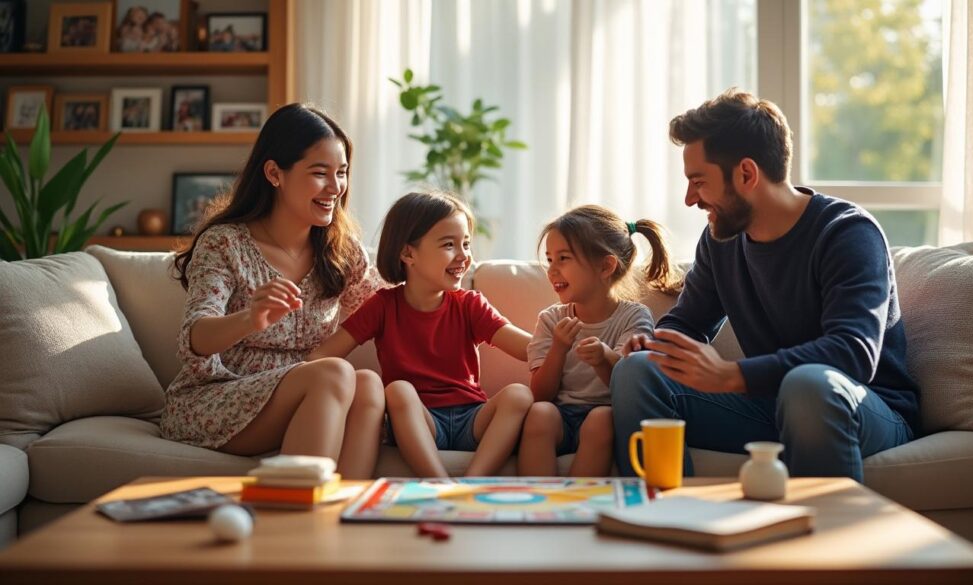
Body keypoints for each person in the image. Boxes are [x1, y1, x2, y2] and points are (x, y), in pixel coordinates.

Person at [610, 89, 920, 482]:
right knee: (638, 370)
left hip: (860, 408)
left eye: (698, 182)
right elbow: (688, 322)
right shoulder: (720, 240)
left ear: (746, 174)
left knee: (808, 384)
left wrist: (733, 375)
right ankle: (663, 521)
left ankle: (823, 539)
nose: (690, 199)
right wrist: (657, 343)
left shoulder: (846, 233)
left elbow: (852, 352)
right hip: (768, 407)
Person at [160, 104, 386, 479]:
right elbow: (194, 337)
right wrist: (250, 318)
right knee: (334, 373)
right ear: (274, 173)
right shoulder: (225, 243)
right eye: (319, 173)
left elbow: (390, 306)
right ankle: (292, 518)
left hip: (305, 395)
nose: (335, 188)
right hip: (216, 397)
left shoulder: (341, 251)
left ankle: (345, 514)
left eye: (341, 173)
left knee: (368, 385)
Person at [310, 192, 534, 477]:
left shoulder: (470, 304)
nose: (464, 255)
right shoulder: (383, 305)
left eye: (466, 243)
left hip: (473, 417)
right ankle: (438, 483)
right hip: (420, 420)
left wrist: (565, 337)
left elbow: (528, 348)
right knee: (399, 391)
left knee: (519, 395)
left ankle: (472, 481)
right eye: (449, 245)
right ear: (408, 253)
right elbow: (322, 356)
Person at [517, 205, 678, 477]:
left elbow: (630, 382)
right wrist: (558, 349)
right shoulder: (551, 319)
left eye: (563, 258)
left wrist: (604, 358)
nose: (552, 270)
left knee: (601, 419)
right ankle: (541, 503)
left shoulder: (634, 317)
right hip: (560, 415)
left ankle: (579, 504)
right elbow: (540, 394)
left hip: (607, 414)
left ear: (606, 266)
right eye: (549, 260)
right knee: (540, 413)